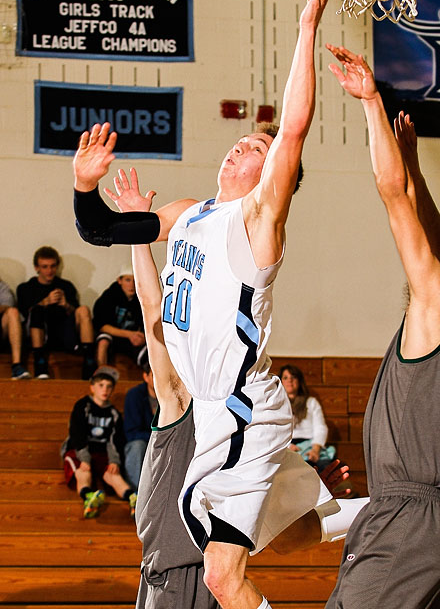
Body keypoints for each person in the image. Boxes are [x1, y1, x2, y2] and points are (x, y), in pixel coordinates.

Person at [73, 0, 346, 609]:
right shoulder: (187, 212)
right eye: (241, 140)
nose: (238, 147)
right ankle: (412, 514)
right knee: (296, 533)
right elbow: (100, 229)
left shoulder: (256, 221)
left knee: (222, 576)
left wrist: (306, 26)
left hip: (242, 405)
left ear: (270, 174)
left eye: (254, 146)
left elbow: (296, 127)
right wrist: (85, 186)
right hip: (214, 412)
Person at [325, 44, 440, 609]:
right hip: (435, 522)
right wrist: (413, 164)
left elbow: (392, 198)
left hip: (408, 517)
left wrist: (371, 103)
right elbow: (434, 237)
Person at [131, 239, 366, 609]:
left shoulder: (244, 418)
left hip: (220, 581)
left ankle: (397, 511)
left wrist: (301, 495)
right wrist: (139, 233)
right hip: (175, 579)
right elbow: (152, 312)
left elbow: (284, 538)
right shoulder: (181, 405)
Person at [62, 365, 137, 519]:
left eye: (109, 387)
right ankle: (88, 496)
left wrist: (114, 462)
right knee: (83, 471)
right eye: (101, 385)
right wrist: (84, 458)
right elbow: (77, 433)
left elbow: (114, 440)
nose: (105, 390)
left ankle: (132, 498)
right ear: (92, 387)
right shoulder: (83, 406)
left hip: (101, 452)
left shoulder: (113, 413)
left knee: (113, 473)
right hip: (79, 450)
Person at [16, 246, 96, 379]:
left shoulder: (66, 286)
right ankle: (40, 364)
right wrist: (44, 302)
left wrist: (66, 305)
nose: (49, 271)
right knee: (36, 311)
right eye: (45, 267)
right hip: (39, 333)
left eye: (53, 266)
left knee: (84, 310)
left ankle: (89, 363)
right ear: (37, 268)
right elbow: (24, 314)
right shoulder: (26, 288)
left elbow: (77, 314)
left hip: (64, 333)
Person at [279, 364, 334, 471]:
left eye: (293, 377)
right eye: (285, 378)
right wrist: (288, 447)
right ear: (281, 381)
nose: (289, 380)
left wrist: (315, 449)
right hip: (285, 447)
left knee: (324, 468)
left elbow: (320, 427)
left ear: (299, 381)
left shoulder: (311, 402)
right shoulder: (277, 404)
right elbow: (274, 430)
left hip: (310, 446)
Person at [93, 265, 146, 367]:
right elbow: (103, 326)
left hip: (131, 338)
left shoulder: (142, 299)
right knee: (103, 341)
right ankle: (101, 373)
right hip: (112, 334)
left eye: (135, 281)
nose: (132, 285)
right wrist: (130, 334)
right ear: (119, 280)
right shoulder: (108, 296)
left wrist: (142, 337)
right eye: (127, 280)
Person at [124, 360, 158, 491]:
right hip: (141, 442)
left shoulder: (170, 395)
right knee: (138, 446)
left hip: (164, 442)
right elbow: (131, 432)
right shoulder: (135, 395)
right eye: (154, 374)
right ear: (145, 376)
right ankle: (138, 494)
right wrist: (155, 437)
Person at [0, 276, 29, 379]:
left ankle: (17, 366)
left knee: (13, 312)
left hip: (2, 332)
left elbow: (8, 304)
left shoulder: (1, 286)